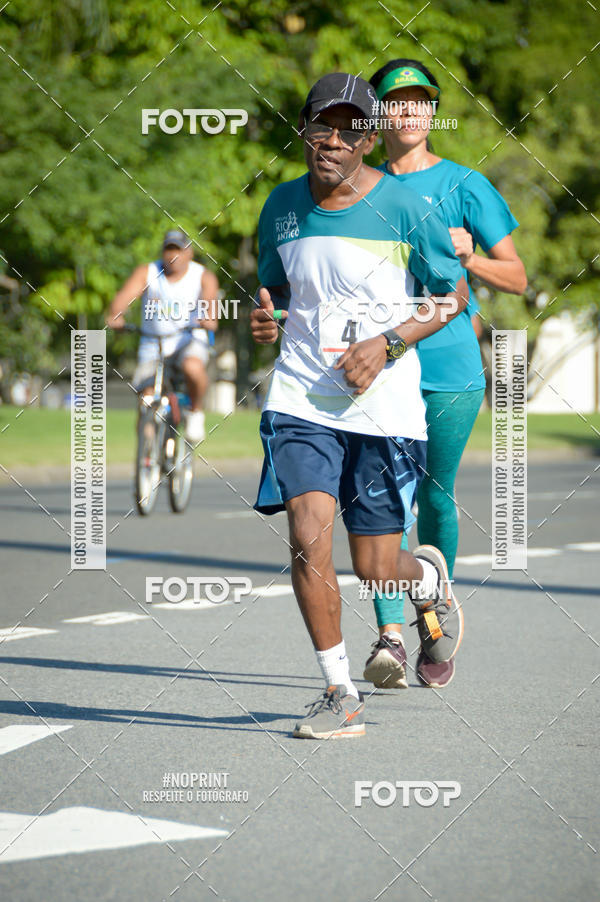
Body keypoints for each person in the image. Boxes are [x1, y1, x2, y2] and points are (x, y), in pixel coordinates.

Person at [251, 72, 470, 739]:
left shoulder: (405, 206)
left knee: (376, 567)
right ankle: (339, 692)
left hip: (383, 409)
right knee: (307, 535)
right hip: (301, 399)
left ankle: (424, 578)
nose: (334, 141)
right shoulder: (280, 207)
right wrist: (266, 320)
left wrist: (390, 342)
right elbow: (277, 293)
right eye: (323, 126)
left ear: (369, 140)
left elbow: (452, 295)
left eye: (351, 131)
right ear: (304, 130)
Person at [362, 59, 527, 690]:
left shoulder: (464, 184)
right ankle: (389, 636)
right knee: (382, 499)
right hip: (380, 365)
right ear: (378, 114)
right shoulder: (358, 187)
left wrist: (472, 259)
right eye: (394, 101)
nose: (407, 111)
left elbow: (518, 276)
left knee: (434, 495)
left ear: (432, 112)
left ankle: (431, 614)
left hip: (449, 368)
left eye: (419, 101)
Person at [106, 229, 219, 442]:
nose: (173, 255)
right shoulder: (148, 272)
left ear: (189, 253)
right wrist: (117, 315)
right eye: (169, 250)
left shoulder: (203, 275)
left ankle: (196, 412)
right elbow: (125, 297)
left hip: (189, 340)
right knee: (146, 399)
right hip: (153, 343)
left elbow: (210, 304)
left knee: (193, 367)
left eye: (178, 250)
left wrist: (208, 318)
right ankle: (147, 454)